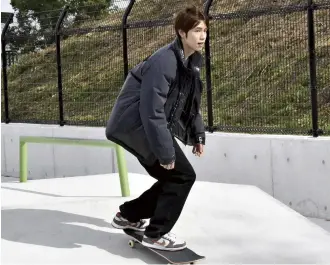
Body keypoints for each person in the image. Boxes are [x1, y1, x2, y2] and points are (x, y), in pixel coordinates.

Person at [105, 5, 207, 251]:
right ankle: (155, 234)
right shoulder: (164, 61)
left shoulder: (190, 62)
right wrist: (166, 152)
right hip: (138, 126)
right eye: (196, 30)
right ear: (181, 33)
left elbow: (190, 103)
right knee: (182, 176)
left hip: (149, 126)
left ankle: (128, 215)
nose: (202, 36)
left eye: (204, 30)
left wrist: (197, 135)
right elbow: (151, 111)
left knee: (173, 178)